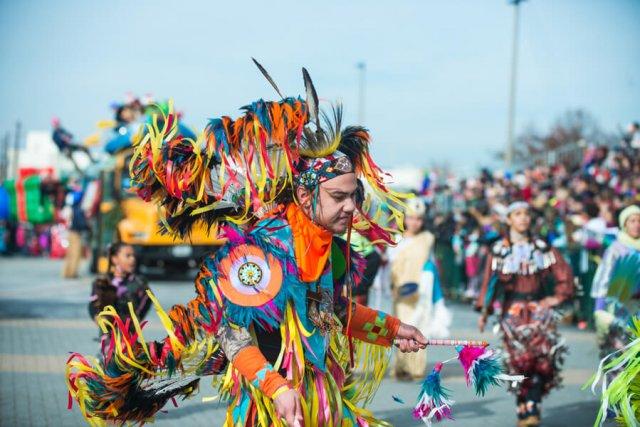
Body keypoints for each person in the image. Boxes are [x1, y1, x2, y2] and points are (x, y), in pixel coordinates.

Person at [66, 64, 428, 427]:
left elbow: (330, 312)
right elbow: (232, 334)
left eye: (353, 196)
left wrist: (394, 330)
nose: (351, 207)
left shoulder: (324, 244)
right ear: (304, 194)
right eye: (338, 196)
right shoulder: (260, 250)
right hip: (267, 406)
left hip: (317, 400)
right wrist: (275, 386)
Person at [476, 201, 574, 427]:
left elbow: (564, 273)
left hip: (539, 309)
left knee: (542, 359)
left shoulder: (542, 247)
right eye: (517, 214)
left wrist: (556, 297)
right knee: (518, 362)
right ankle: (523, 405)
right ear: (508, 219)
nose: (523, 218)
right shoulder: (499, 250)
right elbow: (489, 284)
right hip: (512, 311)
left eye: (526, 214)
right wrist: (485, 310)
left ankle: (533, 404)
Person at [388, 197, 451, 380]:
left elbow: (430, 265)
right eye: (411, 217)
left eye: (419, 218)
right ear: (405, 218)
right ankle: (401, 367)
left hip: (420, 291)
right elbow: (390, 266)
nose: (414, 222)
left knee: (419, 325)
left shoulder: (428, 239)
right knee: (400, 327)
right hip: (400, 291)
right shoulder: (396, 239)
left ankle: (415, 368)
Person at [591, 205, 640, 358]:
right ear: (624, 224)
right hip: (618, 309)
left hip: (638, 309)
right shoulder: (616, 249)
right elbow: (603, 278)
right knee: (620, 357)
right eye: (632, 221)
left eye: (639, 221)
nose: (637, 224)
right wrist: (599, 309)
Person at [88, 242, 152, 325]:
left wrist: (136, 319)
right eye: (128, 256)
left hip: (129, 333)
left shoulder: (140, 283)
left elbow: (147, 302)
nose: (133, 259)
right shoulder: (102, 282)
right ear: (114, 259)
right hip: (107, 334)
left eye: (133, 256)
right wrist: (97, 317)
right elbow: (93, 304)